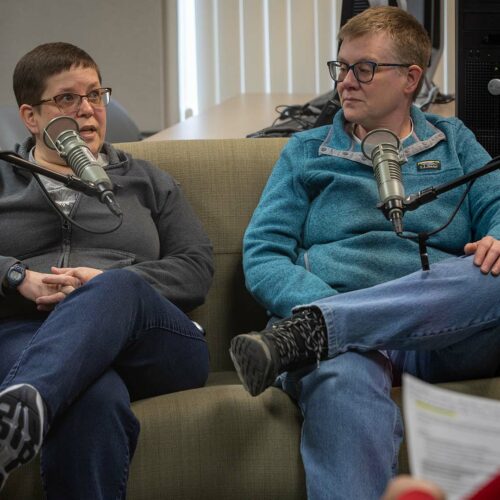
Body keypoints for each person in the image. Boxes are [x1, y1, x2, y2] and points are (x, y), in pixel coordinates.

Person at [229, 6, 500, 499]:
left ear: (410, 79)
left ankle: (318, 328)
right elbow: (265, 254)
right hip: (340, 337)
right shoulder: (307, 151)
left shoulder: (455, 141)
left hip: (439, 329)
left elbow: (498, 204)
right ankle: (325, 329)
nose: (345, 83)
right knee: (342, 376)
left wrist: (499, 236)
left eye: (364, 69)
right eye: (341, 67)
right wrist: (322, 305)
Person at [0, 42, 212, 498]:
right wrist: (15, 276)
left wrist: (107, 285)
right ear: (31, 117)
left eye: (96, 95)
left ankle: (30, 395)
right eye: (67, 99)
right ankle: (24, 414)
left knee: (118, 286)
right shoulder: (3, 179)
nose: (88, 111)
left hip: (151, 340)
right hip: (27, 331)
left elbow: (196, 268)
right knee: (92, 400)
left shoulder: (147, 180)